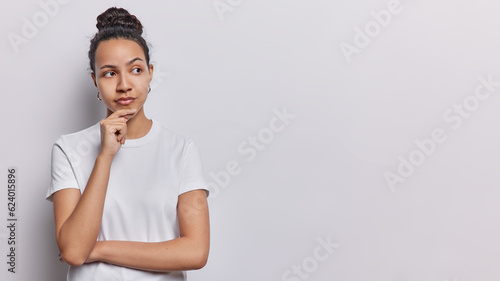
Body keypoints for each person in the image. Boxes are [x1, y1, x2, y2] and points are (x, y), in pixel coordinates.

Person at [46, 7, 210, 281]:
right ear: (95, 81)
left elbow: (195, 252)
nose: (124, 84)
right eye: (109, 73)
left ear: (150, 73)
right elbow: (74, 251)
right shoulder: (68, 149)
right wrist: (105, 156)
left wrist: (97, 249)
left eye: (135, 69)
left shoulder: (181, 150)